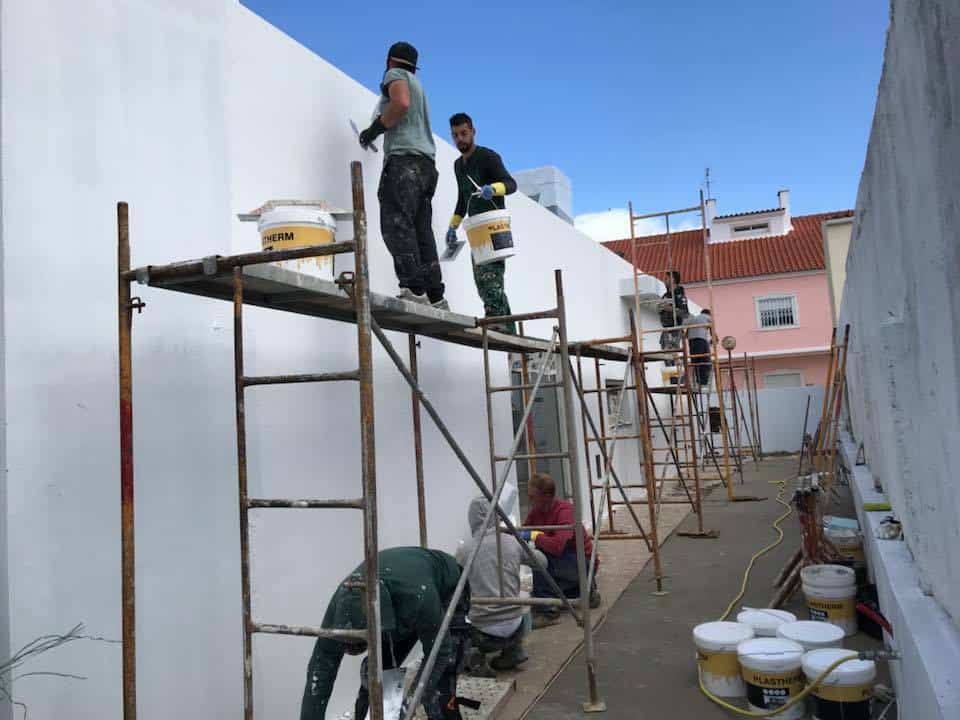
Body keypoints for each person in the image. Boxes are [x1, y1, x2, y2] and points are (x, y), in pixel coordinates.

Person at [300, 547, 468, 720]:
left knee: (438, 688)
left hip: (447, 588)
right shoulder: (339, 609)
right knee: (374, 675)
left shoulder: (417, 599)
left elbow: (439, 653)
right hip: (396, 602)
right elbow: (319, 672)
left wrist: (409, 703)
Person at [358, 41, 447, 310]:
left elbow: (401, 102)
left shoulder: (394, 75)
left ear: (389, 61)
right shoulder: (419, 86)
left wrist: (374, 129)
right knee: (421, 231)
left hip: (404, 163)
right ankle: (436, 296)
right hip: (427, 167)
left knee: (396, 224)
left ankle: (413, 288)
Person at [445, 113, 518, 333]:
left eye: (463, 133)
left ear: (473, 132)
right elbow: (462, 198)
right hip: (476, 227)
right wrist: (453, 225)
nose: (460, 139)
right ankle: (506, 326)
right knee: (481, 279)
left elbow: (511, 184)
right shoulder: (458, 166)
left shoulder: (488, 157)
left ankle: (496, 320)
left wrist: (493, 189)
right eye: (455, 135)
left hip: (495, 225)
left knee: (491, 278)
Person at [456, 497, 529, 675]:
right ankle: (513, 650)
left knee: (453, 611)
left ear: (472, 519)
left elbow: (453, 584)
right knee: (525, 594)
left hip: (483, 634)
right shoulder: (511, 541)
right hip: (517, 625)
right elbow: (542, 562)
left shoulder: (465, 551)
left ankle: (475, 659)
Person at [519, 473, 600, 627]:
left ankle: (548, 612)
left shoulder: (565, 511)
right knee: (539, 587)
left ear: (547, 496)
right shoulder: (537, 511)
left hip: (582, 563)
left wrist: (535, 536)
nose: (529, 500)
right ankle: (584, 592)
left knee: (538, 559)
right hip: (565, 562)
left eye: (533, 496)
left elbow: (557, 547)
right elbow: (524, 529)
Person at [659, 271, 689, 365]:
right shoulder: (665, 295)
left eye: (667, 278)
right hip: (666, 330)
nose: (664, 281)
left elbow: (685, 314)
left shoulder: (679, 296)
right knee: (667, 357)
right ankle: (672, 378)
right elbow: (661, 309)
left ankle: (677, 378)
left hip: (674, 330)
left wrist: (671, 309)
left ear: (673, 280)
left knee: (672, 357)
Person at [685, 308, 713, 387]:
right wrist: (714, 339)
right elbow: (712, 331)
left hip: (691, 342)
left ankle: (698, 381)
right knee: (706, 360)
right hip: (701, 340)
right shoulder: (708, 317)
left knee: (696, 361)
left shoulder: (693, 319)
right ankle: (704, 382)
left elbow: (686, 335)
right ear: (708, 314)